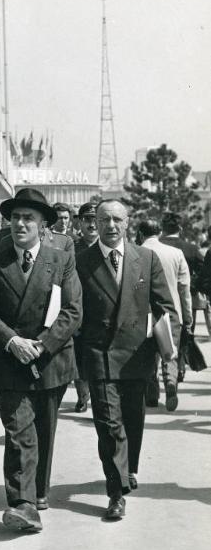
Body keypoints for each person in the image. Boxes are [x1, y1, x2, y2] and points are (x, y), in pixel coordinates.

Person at [0, 188, 82, 532]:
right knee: (19, 430)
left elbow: (72, 310)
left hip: (50, 359)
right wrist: (11, 341)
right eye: (15, 218)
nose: (20, 224)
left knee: (44, 429)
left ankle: (37, 492)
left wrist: (41, 344)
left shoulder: (61, 260)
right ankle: (22, 502)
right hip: (8, 360)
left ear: (43, 225)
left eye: (28, 218)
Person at [76, 200, 177, 520]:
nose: (110, 225)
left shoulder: (146, 259)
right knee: (108, 424)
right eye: (104, 219)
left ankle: (128, 468)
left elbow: (166, 307)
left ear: (128, 223)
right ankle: (116, 491)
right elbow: (72, 310)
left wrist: (167, 348)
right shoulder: (81, 261)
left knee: (133, 422)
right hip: (100, 355)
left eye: (117, 219)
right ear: (95, 222)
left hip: (138, 356)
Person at [137, 220, 193, 411]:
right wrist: (188, 318)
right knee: (170, 351)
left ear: (140, 233)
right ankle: (170, 382)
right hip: (171, 310)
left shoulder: (135, 253)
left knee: (148, 353)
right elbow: (184, 288)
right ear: (160, 232)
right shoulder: (176, 254)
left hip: (145, 312)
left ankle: (152, 393)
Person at [160, 212, 204, 380]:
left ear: (162, 228)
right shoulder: (191, 249)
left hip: (157, 298)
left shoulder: (153, 247)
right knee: (184, 335)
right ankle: (179, 368)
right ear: (180, 228)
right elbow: (204, 273)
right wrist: (192, 285)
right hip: (184, 299)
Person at [72, 202, 99, 412]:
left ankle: (99, 397)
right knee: (80, 359)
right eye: (87, 220)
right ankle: (83, 396)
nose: (92, 225)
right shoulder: (71, 249)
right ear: (79, 223)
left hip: (103, 315)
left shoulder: (110, 249)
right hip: (80, 314)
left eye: (94, 219)